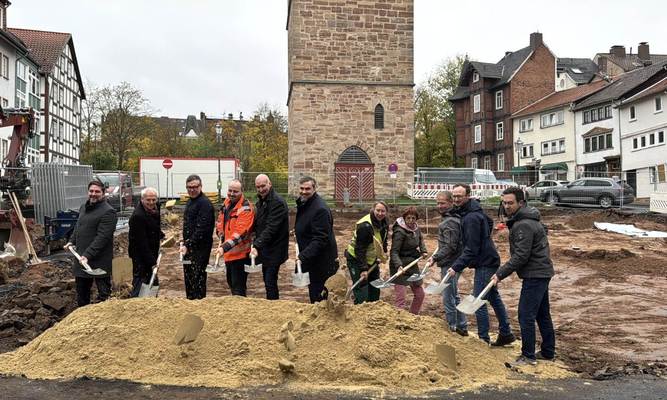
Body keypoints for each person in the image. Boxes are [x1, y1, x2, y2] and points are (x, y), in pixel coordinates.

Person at [492, 187, 555, 366]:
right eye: (504, 203)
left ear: (521, 203)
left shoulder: (523, 225)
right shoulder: (527, 220)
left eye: (510, 203)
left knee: (525, 314)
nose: (506, 206)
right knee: (542, 314)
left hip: (535, 274)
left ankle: (528, 355)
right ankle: (548, 352)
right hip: (541, 272)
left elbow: (521, 256)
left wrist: (499, 274)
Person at [447, 183, 515, 346]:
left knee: (478, 300)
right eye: (454, 196)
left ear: (468, 196)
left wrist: (456, 267)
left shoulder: (471, 218)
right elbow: (489, 222)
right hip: (488, 258)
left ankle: (483, 339)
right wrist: (485, 237)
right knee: (493, 296)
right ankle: (506, 333)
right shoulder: (473, 211)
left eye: (459, 196)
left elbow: (471, 248)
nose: (456, 199)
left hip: (485, 262)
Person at [66, 180, 118, 307]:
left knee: (104, 296)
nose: (93, 194)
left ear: (103, 193)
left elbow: (102, 237)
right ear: (88, 192)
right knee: (82, 295)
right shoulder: (84, 207)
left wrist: (88, 255)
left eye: (97, 191)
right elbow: (78, 226)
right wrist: (71, 241)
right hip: (81, 260)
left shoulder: (108, 212)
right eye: (91, 191)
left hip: (99, 262)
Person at [294, 176, 339, 303]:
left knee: (320, 298)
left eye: (307, 189)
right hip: (313, 261)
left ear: (314, 189)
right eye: (301, 188)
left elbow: (320, 239)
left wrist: (303, 256)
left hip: (322, 264)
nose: (303, 191)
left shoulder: (320, 209)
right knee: (314, 295)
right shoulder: (306, 204)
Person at [429, 191, 468, 336]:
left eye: (443, 203)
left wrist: (435, 258)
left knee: (448, 296)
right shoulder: (452, 217)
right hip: (454, 262)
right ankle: (462, 326)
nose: (440, 206)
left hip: (451, 263)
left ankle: (452, 327)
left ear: (451, 203)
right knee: (454, 294)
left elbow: (451, 246)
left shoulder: (450, 221)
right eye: (438, 203)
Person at [251, 174, 289, 300]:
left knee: (270, 281)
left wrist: (257, 244)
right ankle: (271, 302)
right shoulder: (262, 201)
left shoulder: (277, 202)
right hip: (266, 248)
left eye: (263, 186)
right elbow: (260, 223)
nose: (261, 189)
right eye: (258, 187)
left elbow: (271, 228)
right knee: (267, 279)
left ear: (270, 184)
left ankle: (273, 304)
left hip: (275, 248)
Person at [216, 179, 255, 296]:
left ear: (241, 192)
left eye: (235, 191)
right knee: (231, 284)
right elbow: (220, 220)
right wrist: (219, 232)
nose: (232, 194)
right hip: (229, 255)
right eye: (230, 190)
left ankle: (241, 312)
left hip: (240, 256)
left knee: (238, 289)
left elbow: (240, 234)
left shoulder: (246, 208)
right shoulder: (226, 203)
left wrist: (224, 247)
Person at [346, 201, 389, 304]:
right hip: (356, 259)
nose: (380, 213)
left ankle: (373, 309)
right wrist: (363, 269)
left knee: (375, 287)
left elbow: (383, 239)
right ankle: (360, 310)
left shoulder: (384, 222)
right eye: (378, 210)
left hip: (372, 260)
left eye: (383, 211)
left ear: (386, 212)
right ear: (373, 210)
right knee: (362, 289)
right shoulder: (365, 226)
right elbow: (359, 249)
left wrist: (382, 254)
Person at [180, 174, 215, 299]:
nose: (192, 189)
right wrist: (184, 240)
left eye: (195, 187)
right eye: (189, 187)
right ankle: (190, 301)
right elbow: (189, 224)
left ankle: (198, 303)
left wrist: (188, 244)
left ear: (201, 186)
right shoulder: (190, 201)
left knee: (198, 278)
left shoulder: (205, 204)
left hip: (200, 249)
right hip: (189, 248)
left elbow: (202, 230)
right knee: (189, 277)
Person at [389, 206, 427, 314]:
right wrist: (398, 266)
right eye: (408, 218)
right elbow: (394, 252)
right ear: (404, 218)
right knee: (401, 299)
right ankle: (399, 321)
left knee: (420, 294)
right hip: (399, 266)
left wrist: (423, 250)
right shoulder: (399, 232)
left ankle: (412, 317)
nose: (411, 221)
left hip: (411, 264)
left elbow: (420, 239)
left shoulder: (416, 228)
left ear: (416, 219)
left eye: (413, 218)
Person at [128, 187, 164, 297]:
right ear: (142, 199)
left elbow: (154, 226)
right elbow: (141, 244)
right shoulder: (138, 216)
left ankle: (152, 302)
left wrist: (161, 235)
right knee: (141, 280)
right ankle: (136, 304)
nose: (151, 202)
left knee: (152, 281)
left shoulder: (155, 208)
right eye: (148, 200)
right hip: (139, 256)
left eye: (154, 199)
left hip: (151, 251)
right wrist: (152, 262)